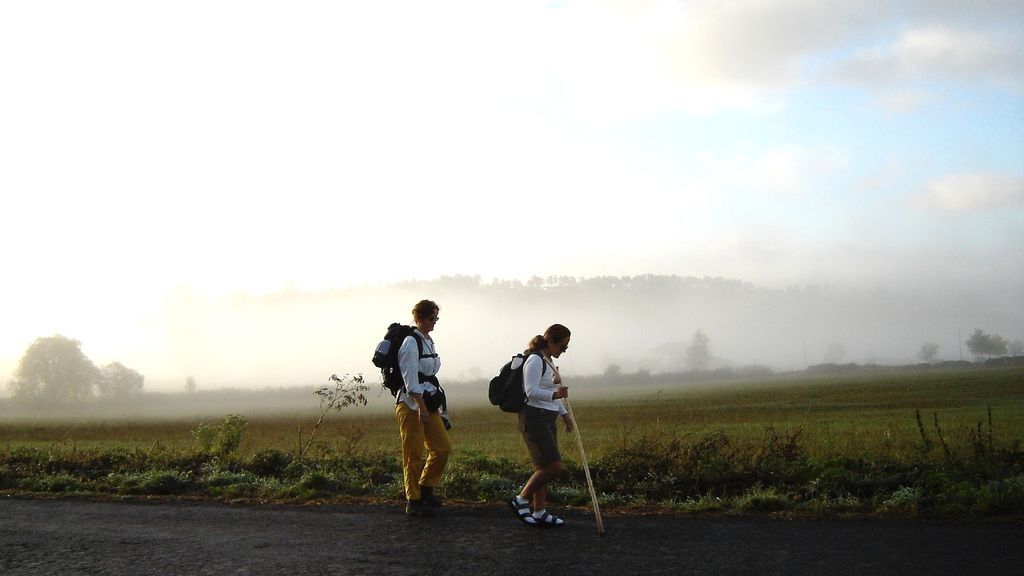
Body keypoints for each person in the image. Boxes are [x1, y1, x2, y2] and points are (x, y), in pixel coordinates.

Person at [509, 323, 573, 527]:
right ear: (552, 341)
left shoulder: (548, 361)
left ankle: (539, 512)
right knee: (553, 466)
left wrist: (564, 415)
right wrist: (556, 393)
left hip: (547, 417)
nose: (563, 352)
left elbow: (552, 396)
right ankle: (520, 499)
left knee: (542, 467)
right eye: (562, 347)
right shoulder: (535, 360)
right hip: (533, 417)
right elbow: (531, 391)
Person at [395, 299, 451, 517]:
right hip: (411, 405)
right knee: (413, 454)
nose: (434, 322)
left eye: (436, 318)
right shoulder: (410, 342)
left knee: (442, 448)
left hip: (428, 401)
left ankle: (426, 487)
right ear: (418, 318)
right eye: (431, 318)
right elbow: (410, 378)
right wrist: (421, 407)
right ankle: (414, 500)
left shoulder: (428, 340)